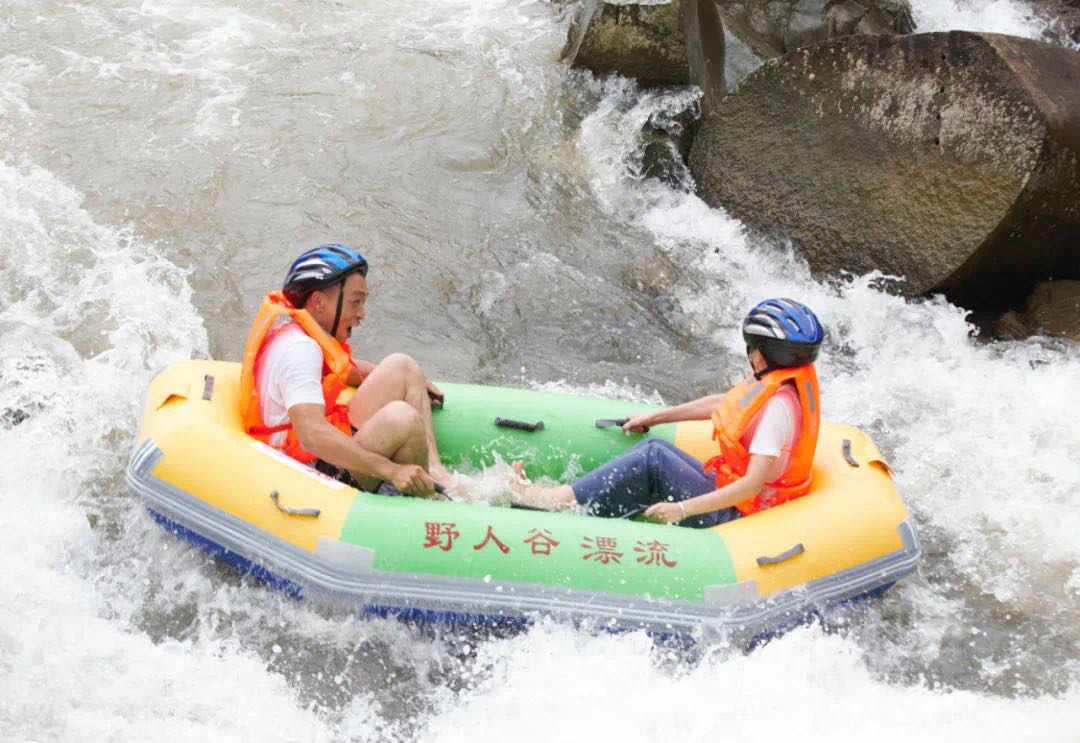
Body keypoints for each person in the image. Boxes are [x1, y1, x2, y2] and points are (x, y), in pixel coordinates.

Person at [511, 298, 825, 525]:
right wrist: (651, 417)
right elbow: (721, 404)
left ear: (762, 354)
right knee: (655, 449)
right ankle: (569, 501)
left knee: (653, 459)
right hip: (738, 496)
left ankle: (550, 502)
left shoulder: (777, 411)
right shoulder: (777, 386)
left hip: (742, 515)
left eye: (753, 346)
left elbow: (752, 485)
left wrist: (683, 509)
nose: (751, 352)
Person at [239, 243, 451, 497]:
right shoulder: (301, 351)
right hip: (311, 469)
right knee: (402, 417)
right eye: (355, 302)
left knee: (402, 366)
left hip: (322, 450)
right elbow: (311, 436)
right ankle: (432, 497)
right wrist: (391, 470)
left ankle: (438, 474)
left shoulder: (295, 333)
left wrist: (411, 382)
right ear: (318, 302)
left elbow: (343, 369)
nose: (361, 314)